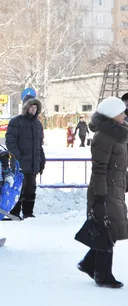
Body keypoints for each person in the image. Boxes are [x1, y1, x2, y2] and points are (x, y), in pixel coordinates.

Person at [77, 96, 128, 289]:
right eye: (121, 112)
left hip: (115, 188)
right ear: (113, 115)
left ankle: (90, 264)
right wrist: (100, 195)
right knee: (108, 229)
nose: (124, 115)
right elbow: (99, 168)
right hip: (105, 190)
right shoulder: (104, 137)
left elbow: (121, 166)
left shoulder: (119, 135)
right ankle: (103, 274)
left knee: (110, 229)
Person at [5, 93, 45, 219]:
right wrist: (18, 158)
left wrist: (41, 160)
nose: (33, 110)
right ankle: (14, 213)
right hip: (20, 164)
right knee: (18, 189)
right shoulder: (16, 122)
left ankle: (28, 212)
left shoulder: (37, 124)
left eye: (35, 107)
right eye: (31, 107)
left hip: (33, 164)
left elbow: (39, 144)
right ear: (25, 108)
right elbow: (10, 142)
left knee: (31, 190)